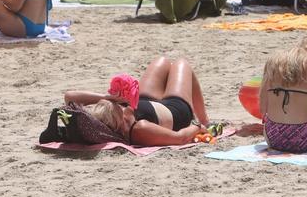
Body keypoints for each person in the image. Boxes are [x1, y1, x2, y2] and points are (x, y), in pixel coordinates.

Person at [64, 56, 210, 146]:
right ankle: (206, 119)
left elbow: (69, 96)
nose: (124, 107)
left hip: (148, 103)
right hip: (176, 110)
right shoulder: (140, 129)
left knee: (162, 61)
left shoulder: (111, 112)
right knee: (181, 63)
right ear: (119, 121)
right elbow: (180, 138)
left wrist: (107, 98)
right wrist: (199, 126)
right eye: (121, 108)